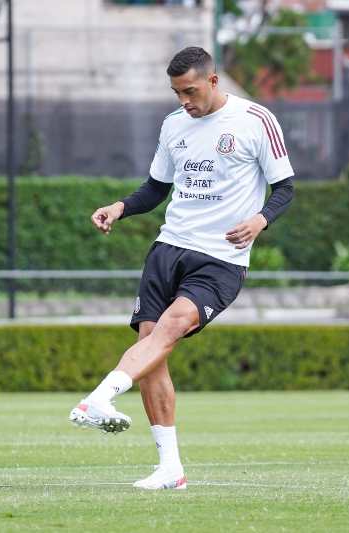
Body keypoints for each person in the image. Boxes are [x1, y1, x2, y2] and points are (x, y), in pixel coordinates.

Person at [68, 46, 295, 489]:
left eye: (190, 91)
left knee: (170, 329)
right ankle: (170, 468)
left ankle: (98, 398)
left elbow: (285, 187)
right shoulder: (174, 125)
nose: (183, 101)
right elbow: (156, 187)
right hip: (168, 249)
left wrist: (259, 219)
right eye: (176, 93)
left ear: (213, 81)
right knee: (152, 352)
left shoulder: (255, 120)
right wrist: (120, 207)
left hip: (221, 259)